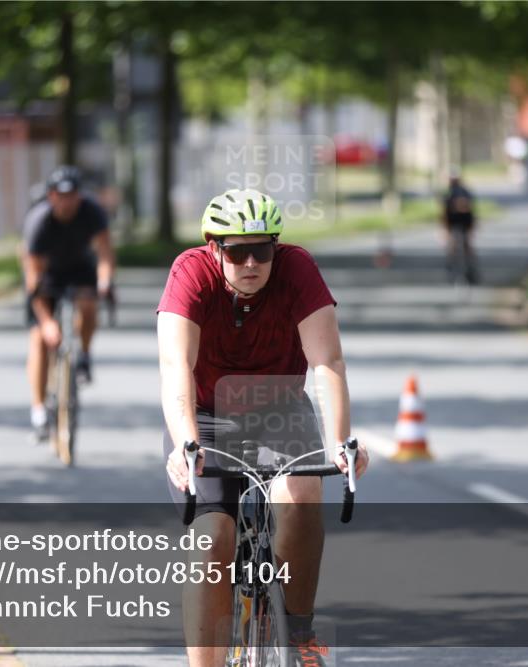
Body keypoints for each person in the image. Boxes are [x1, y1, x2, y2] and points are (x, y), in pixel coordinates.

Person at [158, 188, 369, 666]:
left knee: (302, 497)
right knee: (212, 539)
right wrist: (186, 444)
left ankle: (299, 633)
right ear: (214, 248)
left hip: (280, 413)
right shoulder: (189, 274)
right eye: (237, 251)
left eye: (262, 250)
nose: (251, 262)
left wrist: (340, 442)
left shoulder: (298, 270)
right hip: (207, 415)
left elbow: (328, 361)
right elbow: (176, 368)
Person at [22, 165, 115, 441]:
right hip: (45, 275)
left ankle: (84, 356)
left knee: (89, 304)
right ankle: (38, 411)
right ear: (51, 196)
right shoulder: (39, 223)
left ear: (80, 196)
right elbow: (33, 281)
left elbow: (106, 253)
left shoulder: (92, 212)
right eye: (60, 195)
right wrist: (49, 323)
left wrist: (105, 281)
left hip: (79, 267)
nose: (67, 201)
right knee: (40, 338)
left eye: (72, 194)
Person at [442, 169, 478, 284]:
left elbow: (471, 210)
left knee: (465, 246)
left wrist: (472, 226)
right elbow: (444, 213)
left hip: (464, 222)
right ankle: (452, 268)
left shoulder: (464, 192)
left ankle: (470, 269)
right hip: (454, 222)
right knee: (454, 246)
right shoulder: (448, 194)